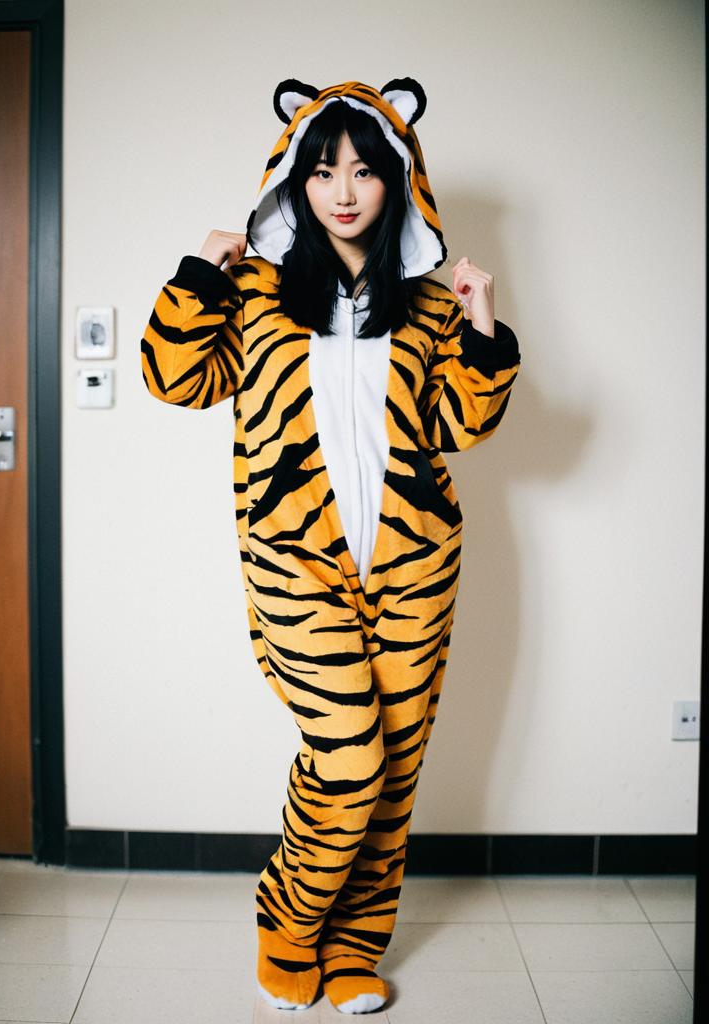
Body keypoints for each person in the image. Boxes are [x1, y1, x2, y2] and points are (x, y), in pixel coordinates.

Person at [140, 77, 522, 1015]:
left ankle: (355, 945)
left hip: (416, 565)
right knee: (348, 756)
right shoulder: (256, 293)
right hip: (296, 564)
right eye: (321, 171)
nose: (342, 191)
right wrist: (199, 272)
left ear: (399, 180)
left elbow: (461, 425)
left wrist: (481, 325)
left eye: (362, 171)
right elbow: (174, 379)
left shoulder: (428, 306)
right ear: (294, 182)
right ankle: (289, 922)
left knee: (395, 769)